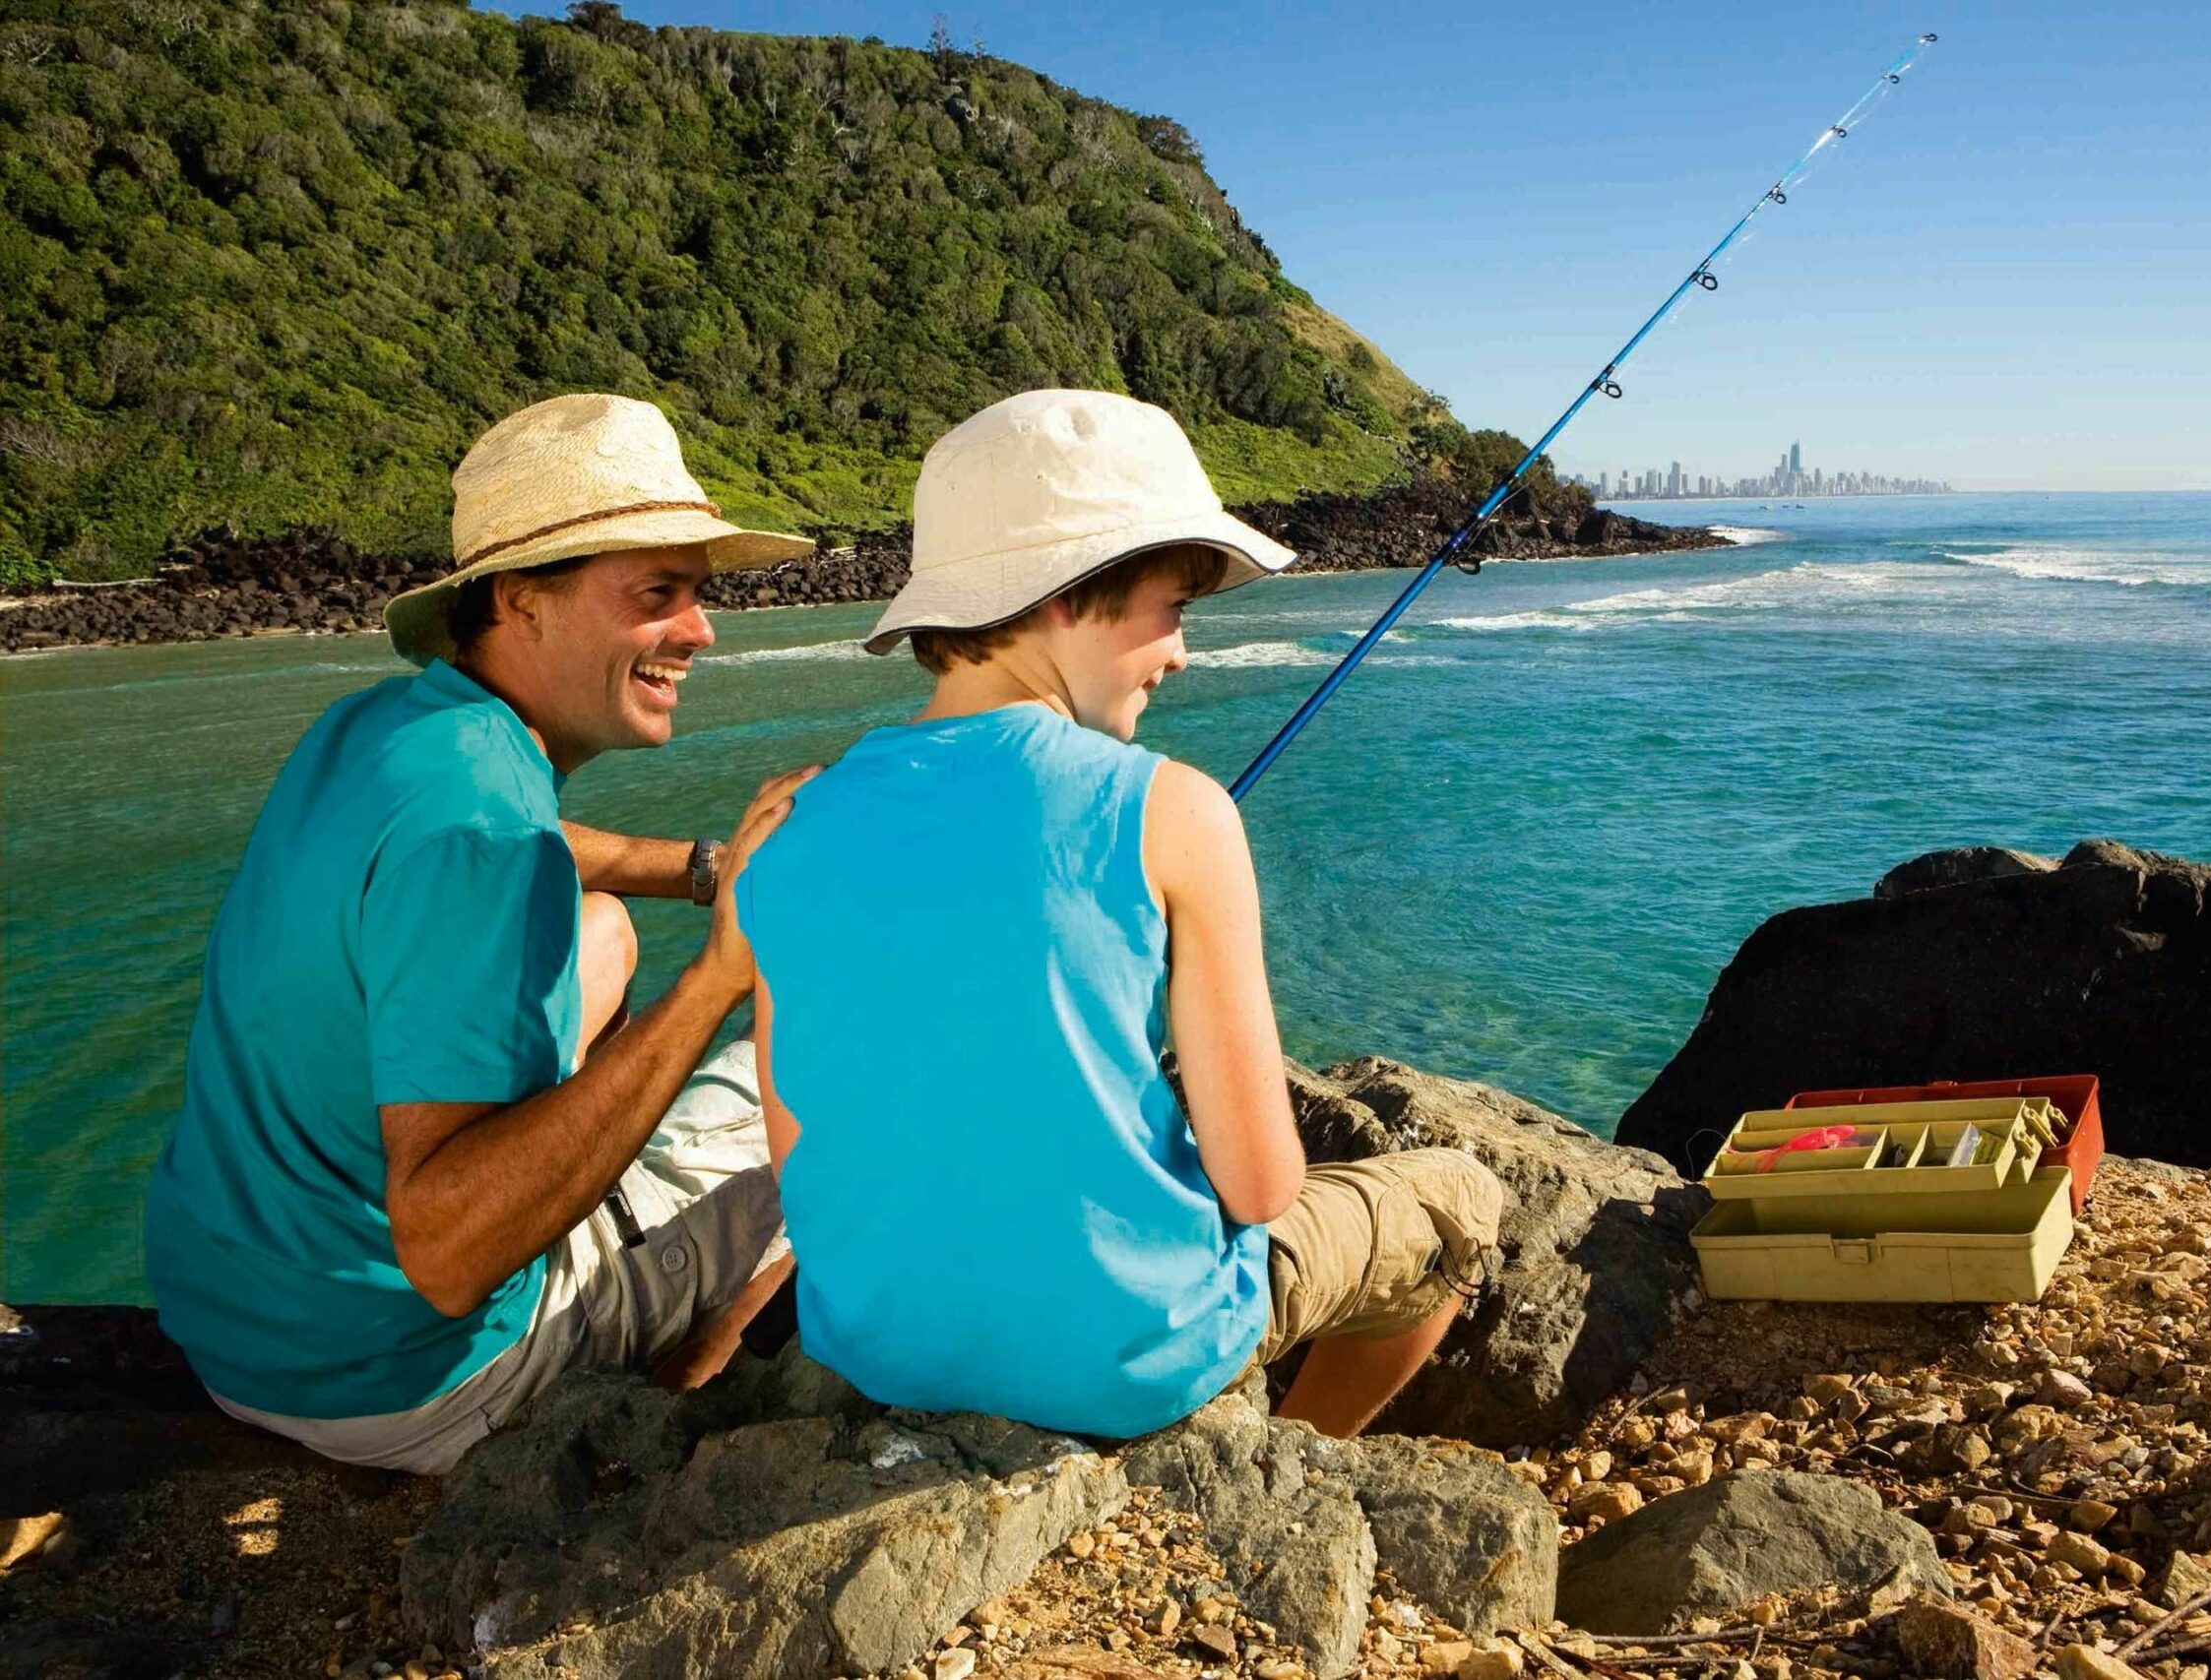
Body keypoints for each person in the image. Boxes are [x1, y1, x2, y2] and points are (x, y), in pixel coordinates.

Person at [740, 389, 1502, 1441]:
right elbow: (1262, 1184)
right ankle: (1301, 1452)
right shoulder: (1175, 809)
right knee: (1459, 1196)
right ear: (1066, 596)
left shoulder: (783, 826)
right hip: (1128, 1360)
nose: (1180, 652)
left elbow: (799, 1158)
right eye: (1170, 611)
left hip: (876, 1348)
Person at [144, 394, 817, 1473]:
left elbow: (537, 836)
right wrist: (721, 973)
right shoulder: (483, 838)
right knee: (840, 1115)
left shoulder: (396, 733)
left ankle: (599, 1203)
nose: (701, 629)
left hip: (237, 1320)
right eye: (659, 594)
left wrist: (699, 872)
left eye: (698, 592)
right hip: (410, 1376)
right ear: (522, 601)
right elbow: (448, 1254)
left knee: (600, 933)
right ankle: (666, 1401)